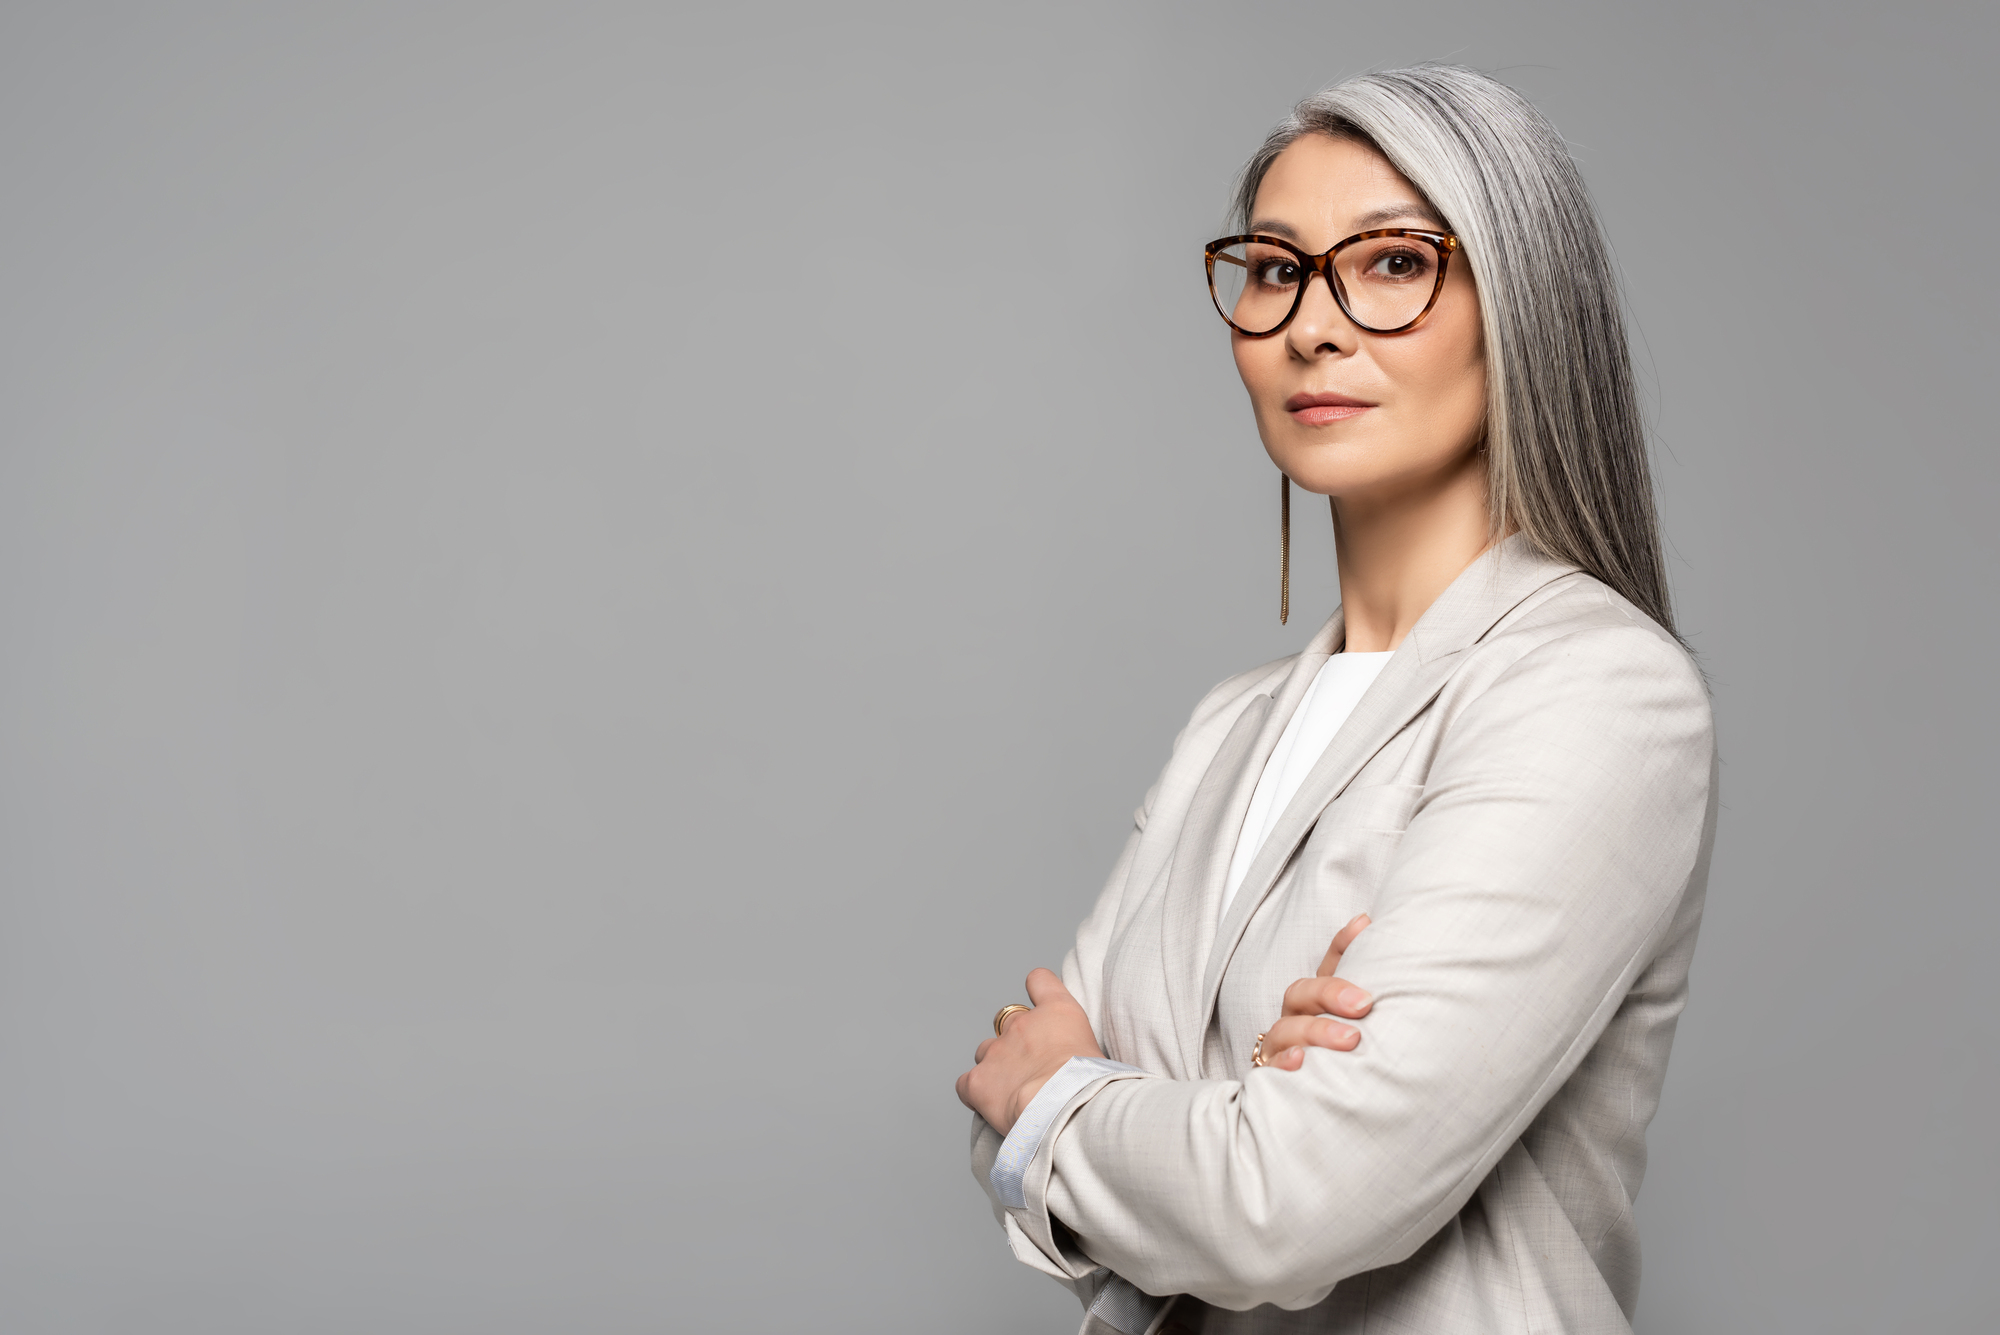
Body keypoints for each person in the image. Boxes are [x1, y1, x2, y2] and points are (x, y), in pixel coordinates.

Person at [956, 65, 1716, 1335]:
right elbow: (993, 1105)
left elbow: (1284, 1204)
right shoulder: (1230, 726)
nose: (1313, 323)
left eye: (1391, 263)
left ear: (1518, 304)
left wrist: (1087, 1098)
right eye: (1272, 268)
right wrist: (1239, 1095)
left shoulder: (1597, 691)